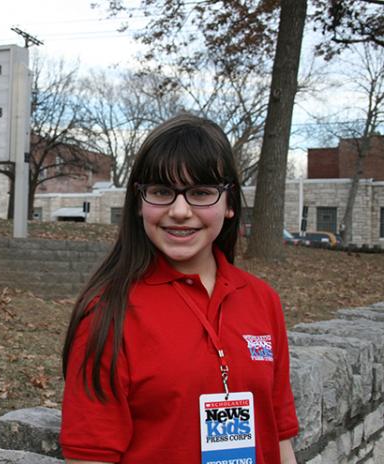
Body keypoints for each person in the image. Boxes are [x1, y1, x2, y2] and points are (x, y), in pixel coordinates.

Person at [60, 113, 299, 464]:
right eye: (161, 192)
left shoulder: (262, 300)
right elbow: (90, 457)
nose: (180, 210)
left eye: (201, 192)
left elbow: (278, 436)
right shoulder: (108, 313)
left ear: (230, 203)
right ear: (139, 202)